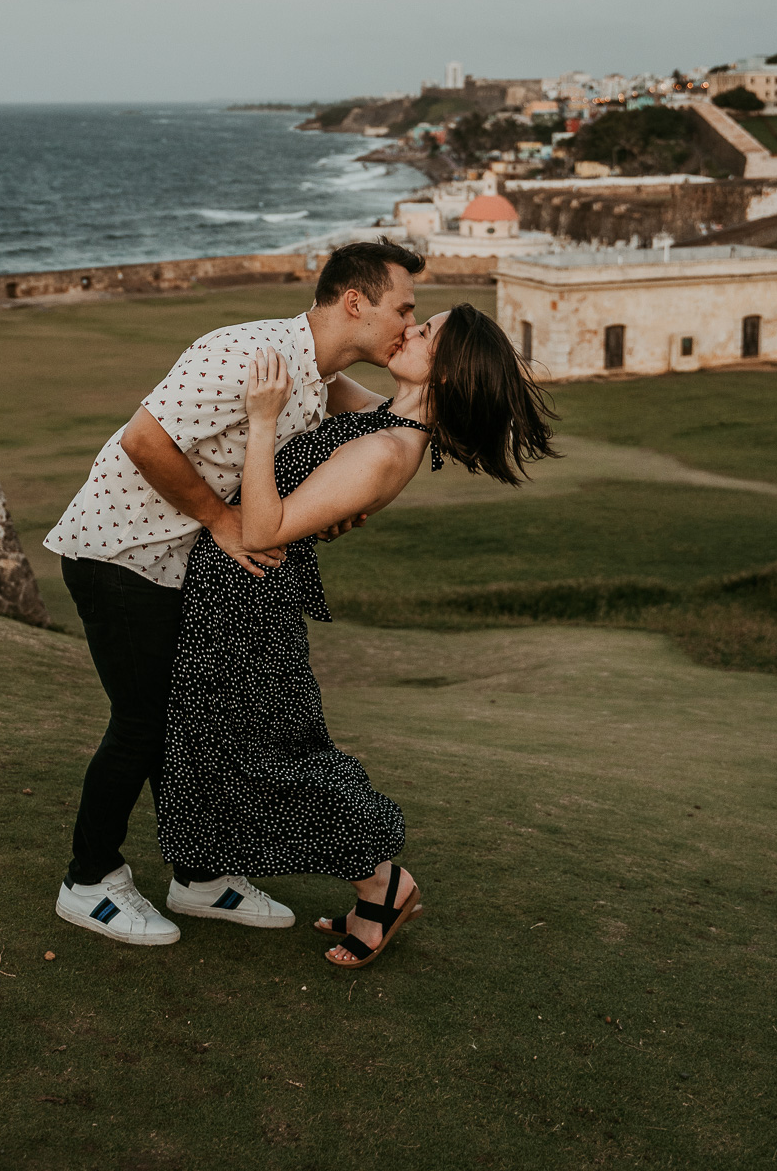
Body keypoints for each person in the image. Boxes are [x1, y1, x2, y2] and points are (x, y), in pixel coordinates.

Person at [45, 239, 425, 945]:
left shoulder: (320, 377)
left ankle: (201, 875)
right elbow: (142, 441)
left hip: (177, 564)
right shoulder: (248, 356)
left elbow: (386, 422)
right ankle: (89, 879)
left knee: (190, 726)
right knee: (143, 725)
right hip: (120, 554)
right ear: (355, 302)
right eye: (404, 308)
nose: (409, 321)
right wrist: (224, 522)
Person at [157, 302, 557, 968]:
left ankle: (381, 882)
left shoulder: (386, 448)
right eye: (417, 317)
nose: (411, 328)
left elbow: (260, 531)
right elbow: (322, 362)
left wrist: (261, 423)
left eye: (426, 332)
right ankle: (225, 878)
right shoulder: (385, 415)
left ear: (449, 374)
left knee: (271, 756)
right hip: (236, 595)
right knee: (233, 745)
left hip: (250, 601)